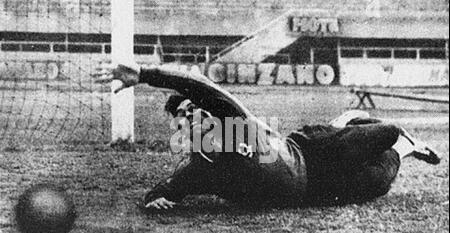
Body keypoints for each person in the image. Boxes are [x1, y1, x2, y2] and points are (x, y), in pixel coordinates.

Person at [94, 64, 440, 210]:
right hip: (314, 192)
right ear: (181, 130)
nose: (191, 116)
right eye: (183, 116)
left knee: (387, 132)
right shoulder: (199, 168)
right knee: (380, 179)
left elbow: (201, 86)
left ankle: (348, 121)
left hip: (313, 152)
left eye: (194, 109)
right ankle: (407, 148)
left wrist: (144, 74)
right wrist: (155, 198)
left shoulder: (234, 121)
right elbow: (166, 190)